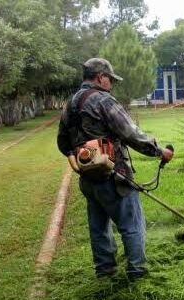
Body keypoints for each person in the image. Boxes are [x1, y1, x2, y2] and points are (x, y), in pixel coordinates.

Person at [57, 58, 173, 281]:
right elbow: (130, 134)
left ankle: (105, 272)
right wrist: (159, 152)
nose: (111, 84)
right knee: (131, 225)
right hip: (114, 177)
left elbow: (63, 143)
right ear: (101, 77)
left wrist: (78, 158)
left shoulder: (70, 104)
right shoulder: (103, 100)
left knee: (99, 227)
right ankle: (137, 273)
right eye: (110, 79)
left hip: (88, 179)